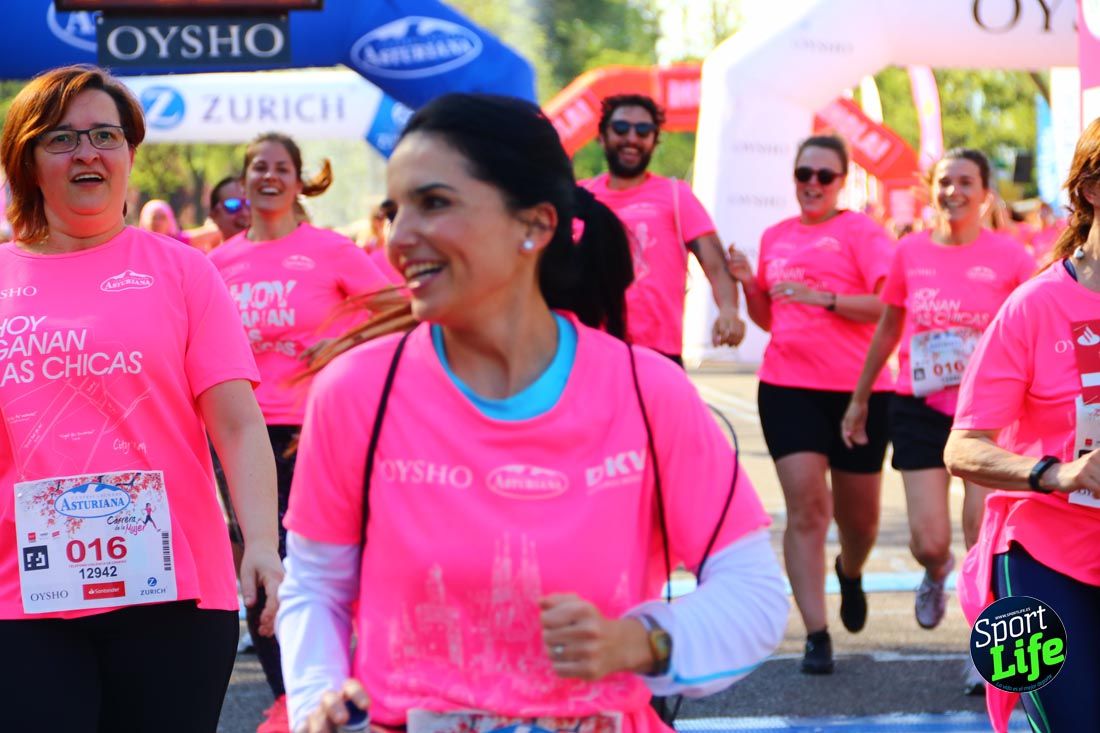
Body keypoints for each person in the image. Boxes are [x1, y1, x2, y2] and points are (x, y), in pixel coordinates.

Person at [275, 93, 789, 733]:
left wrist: (640, 642)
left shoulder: (646, 391)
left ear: (536, 225)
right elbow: (315, 588)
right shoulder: (357, 389)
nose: (400, 237)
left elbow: (754, 595)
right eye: (393, 210)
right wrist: (318, 700)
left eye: (434, 203)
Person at [0, 64, 282, 732]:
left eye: (105, 134)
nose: (88, 152)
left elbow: (238, 426)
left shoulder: (183, 271)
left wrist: (263, 545)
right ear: (29, 158)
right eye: (63, 139)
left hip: (177, 591)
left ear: (129, 153)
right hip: (20, 592)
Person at [209, 131, 392, 733]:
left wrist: (343, 346)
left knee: (318, 563)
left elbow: (397, 308)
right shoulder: (218, 263)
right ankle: (290, 697)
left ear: (298, 180)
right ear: (243, 180)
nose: (268, 176)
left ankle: (340, 685)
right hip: (240, 434)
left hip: (315, 432)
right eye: (258, 166)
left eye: (281, 167)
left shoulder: (329, 250)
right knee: (260, 565)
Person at [945, 121, 1100, 733]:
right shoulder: (1035, 306)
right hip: (1041, 556)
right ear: (1092, 189)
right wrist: (1057, 472)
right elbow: (964, 447)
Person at [841, 149, 1034, 634]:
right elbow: (888, 328)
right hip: (918, 406)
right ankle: (935, 572)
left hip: (989, 414)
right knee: (928, 540)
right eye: (946, 182)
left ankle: (984, 635)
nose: (955, 192)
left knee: (979, 528)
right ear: (932, 190)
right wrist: (861, 398)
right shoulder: (910, 252)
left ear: (985, 192)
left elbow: (1033, 329)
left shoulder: (1011, 258)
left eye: (966, 182)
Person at [727, 134, 893, 675]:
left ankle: (850, 568)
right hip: (786, 387)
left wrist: (825, 297)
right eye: (804, 174)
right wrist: (750, 284)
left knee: (859, 520)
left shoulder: (861, 232)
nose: (812, 185)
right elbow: (773, 319)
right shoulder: (775, 235)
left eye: (824, 175)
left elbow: (888, 309)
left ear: (842, 181)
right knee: (806, 510)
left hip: (859, 393)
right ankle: (816, 634)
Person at [581, 94, 744, 364]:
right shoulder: (578, 196)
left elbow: (716, 266)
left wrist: (728, 310)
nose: (632, 138)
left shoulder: (676, 195)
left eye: (643, 130)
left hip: (657, 354)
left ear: (654, 141)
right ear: (602, 136)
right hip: (589, 349)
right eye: (621, 128)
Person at [209, 175, 251, 244]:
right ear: (214, 215)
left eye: (249, 204)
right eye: (233, 205)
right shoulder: (206, 254)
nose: (245, 213)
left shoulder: (271, 253)